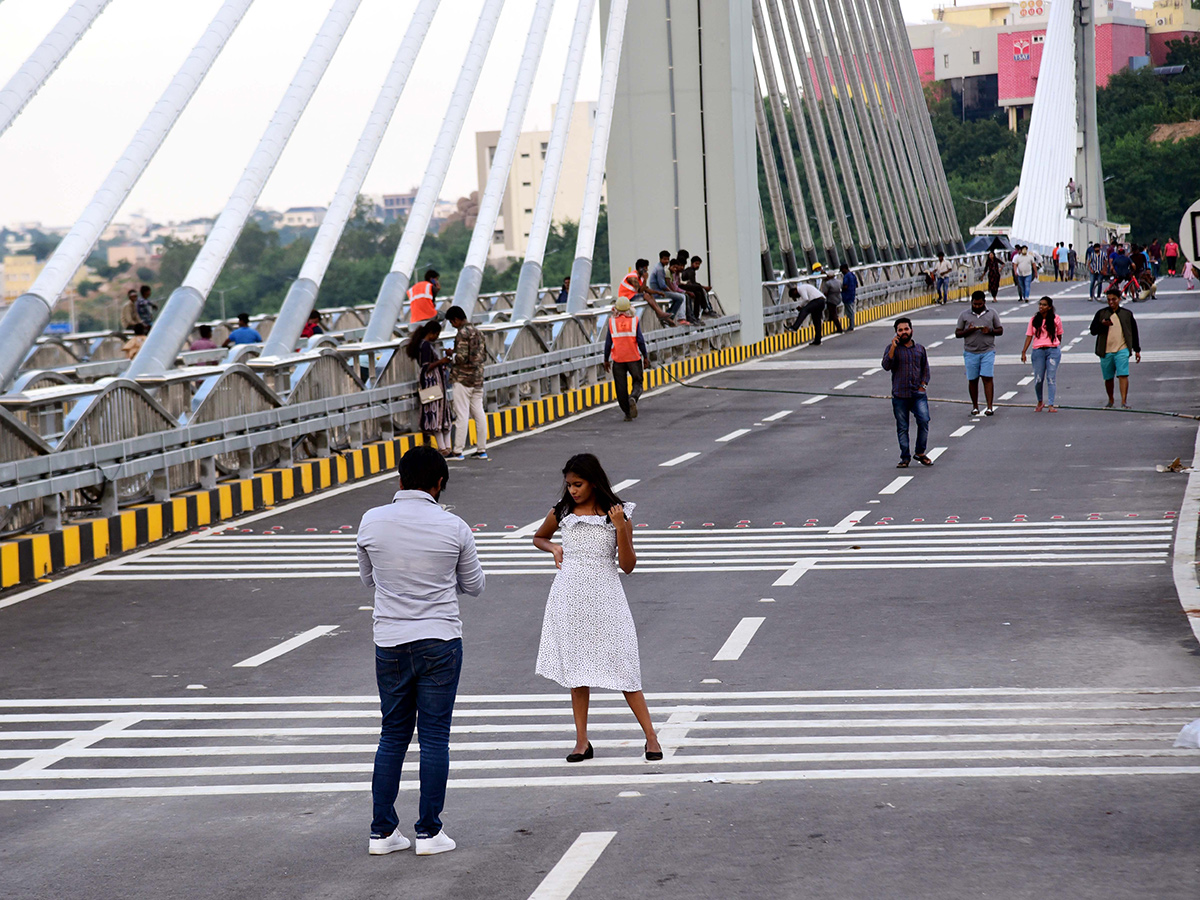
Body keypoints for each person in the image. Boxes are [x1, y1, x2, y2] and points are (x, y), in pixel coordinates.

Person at [357, 446, 485, 858]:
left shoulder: (371, 522)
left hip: (390, 641)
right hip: (440, 641)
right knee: (434, 737)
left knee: (392, 736)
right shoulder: (455, 526)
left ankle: (382, 832)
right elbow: (475, 585)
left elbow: (367, 579)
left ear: (399, 480)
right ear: (439, 484)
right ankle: (429, 832)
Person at [531, 453, 662, 763]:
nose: (573, 490)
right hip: (569, 596)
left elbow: (628, 565)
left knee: (625, 666)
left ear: (593, 482)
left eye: (578, 484)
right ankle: (582, 742)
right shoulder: (563, 511)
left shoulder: (617, 514)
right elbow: (539, 537)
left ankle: (652, 737)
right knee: (577, 672)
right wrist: (553, 547)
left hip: (605, 596)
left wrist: (620, 528)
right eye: (569, 485)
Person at [881, 317, 932, 468]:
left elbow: (925, 369)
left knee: (924, 420)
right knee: (902, 427)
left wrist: (923, 385)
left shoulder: (920, 349)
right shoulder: (892, 349)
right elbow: (886, 366)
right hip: (900, 395)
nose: (904, 332)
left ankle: (920, 452)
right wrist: (892, 348)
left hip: (918, 394)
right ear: (896, 333)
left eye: (906, 329)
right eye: (900, 330)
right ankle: (905, 457)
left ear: (911, 330)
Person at [446, 306, 488, 461]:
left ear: (456, 319)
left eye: (452, 322)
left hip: (463, 379)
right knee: (479, 412)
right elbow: (483, 355)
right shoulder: (478, 332)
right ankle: (481, 449)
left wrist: (452, 355)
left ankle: (457, 451)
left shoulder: (462, 333)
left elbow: (462, 357)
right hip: (478, 378)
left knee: (462, 414)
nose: (452, 325)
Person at [1089, 289, 1142, 409]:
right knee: (1108, 378)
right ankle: (1111, 400)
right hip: (1106, 350)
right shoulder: (1101, 313)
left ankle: (1124, 401)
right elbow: (1093, 330)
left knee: (1123, 375)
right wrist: (1102, 324)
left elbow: (1133, 332)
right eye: (1108, 300)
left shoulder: (1127, 314)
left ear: (1119, 299)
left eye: (1114, 299)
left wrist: (1137, 350)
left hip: (1122, 349)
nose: (1111, 302)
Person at [955, 290, 1003, 416]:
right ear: (971, 302)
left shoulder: (991, 313)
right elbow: (958, 333)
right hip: (970, 352)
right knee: (973, 379)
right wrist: (968, 331)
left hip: (987, 351)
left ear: (984, 303)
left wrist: (990, 330)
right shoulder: (964, 315)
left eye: (979, 304)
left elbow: (1000, 330)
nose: (977, 307)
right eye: (975, 304)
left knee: (987, 377)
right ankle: (975, 406)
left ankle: (989, 407)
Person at [408, 319, 453, 454]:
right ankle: (443, 447)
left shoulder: (422, 345)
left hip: (431, 383)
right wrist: (442, 361)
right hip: (432, 383)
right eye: (437, 334)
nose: (437, 338)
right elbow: (426, 366)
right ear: (432, 333)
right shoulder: (425, 346)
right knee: (438, 413)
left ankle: (445, 447)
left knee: (438, 412)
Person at [604, 295, 649, 421]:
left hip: (618, 359)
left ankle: (627, 414)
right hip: (633, 358)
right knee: (638, 382)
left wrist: (606, 359)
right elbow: (640, 340)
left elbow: (608, 343)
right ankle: (633, 397)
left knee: (621, 388)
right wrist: (645, 356)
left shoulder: (612, 322)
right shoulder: (634, 320)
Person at [1020, 297, 1063, 413]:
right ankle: (1040, 401)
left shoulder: (1056, 319)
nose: (1041, 307)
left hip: (1053, 350)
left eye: (1044, 305)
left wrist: (1055, 344)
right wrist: (1024, 351)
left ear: (1049, 307)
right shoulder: (1034, 320)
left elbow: (1059, 335)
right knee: (1038, 379)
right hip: (1038, 351)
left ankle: (1051, 404)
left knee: (1051, 378)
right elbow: (1029, 336)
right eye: (1040, 304)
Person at [618, 259, 675, 325]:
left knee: (650, 295)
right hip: (626, 298)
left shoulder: (640, 277)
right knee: (646, 295)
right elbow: (640, 291)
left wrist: (658, 292)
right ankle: (660, 313)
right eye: (645, 268)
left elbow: (646, 289)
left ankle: (660, 313)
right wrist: (645, 279)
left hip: (632, 296)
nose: (647, 270)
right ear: (640, 268)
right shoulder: (632, 277)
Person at [648, 250, 688, 323]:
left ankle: (668, 315)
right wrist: (671, 292)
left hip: (659, 291)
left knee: (678, 296)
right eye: (664, 259)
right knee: (680, 297)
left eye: (667, 259)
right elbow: (662, 285)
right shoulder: (660, 269)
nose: (666, 261)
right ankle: (670, 316)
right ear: (660, 259)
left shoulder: (660, 267)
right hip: (658, 293)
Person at [787, 278, 828, 344]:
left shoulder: (801, 288)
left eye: (794, 296)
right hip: (821, 301)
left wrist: (800, 306)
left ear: (794, 291)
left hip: (817, 301)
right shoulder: (804, 287)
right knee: (816, 321)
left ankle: (794, 327)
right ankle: (818, 340)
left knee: (804, 311)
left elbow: (806, 299)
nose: (797, 297)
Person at [820, 268, 844, 335]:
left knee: (833, 313)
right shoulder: (838, 281)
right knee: (832, 313)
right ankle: (831, 326)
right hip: (838, 298)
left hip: (831, 300)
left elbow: (825, 293)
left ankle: (839, 328)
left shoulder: (828, 283)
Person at [839, 263, 857, 331]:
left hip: (847, 296)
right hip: (852, 294)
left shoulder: (846, 276)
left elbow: (845, 286)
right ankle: (851, 325)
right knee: (850, 310)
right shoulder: (852, 275)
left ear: (844, 269)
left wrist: (840, 288)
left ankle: (851, 326)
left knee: (849, 311)